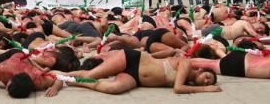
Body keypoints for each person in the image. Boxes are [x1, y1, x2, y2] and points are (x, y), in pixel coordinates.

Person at [68, 49, 220, 94]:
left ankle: (78, 83)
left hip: (135, 78)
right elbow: (177, 89)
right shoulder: (186, 64)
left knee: (113, 88)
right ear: (200, 70)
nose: (206, 81)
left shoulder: (187, 82)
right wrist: (207, 89)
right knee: (90, 74)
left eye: (208, 82)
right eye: (207, 76)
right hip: (132, 59)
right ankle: (59, 76)